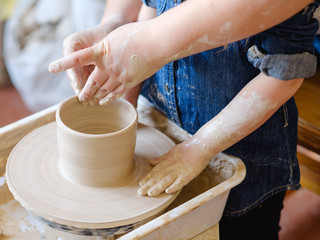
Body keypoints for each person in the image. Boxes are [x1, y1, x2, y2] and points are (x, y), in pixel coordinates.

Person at [48, 0, 320, 239]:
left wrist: (200, 146)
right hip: (165, 125)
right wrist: (123, 97)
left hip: (244, 156)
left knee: (240, 228)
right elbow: (150, 10)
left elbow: (284, 73)